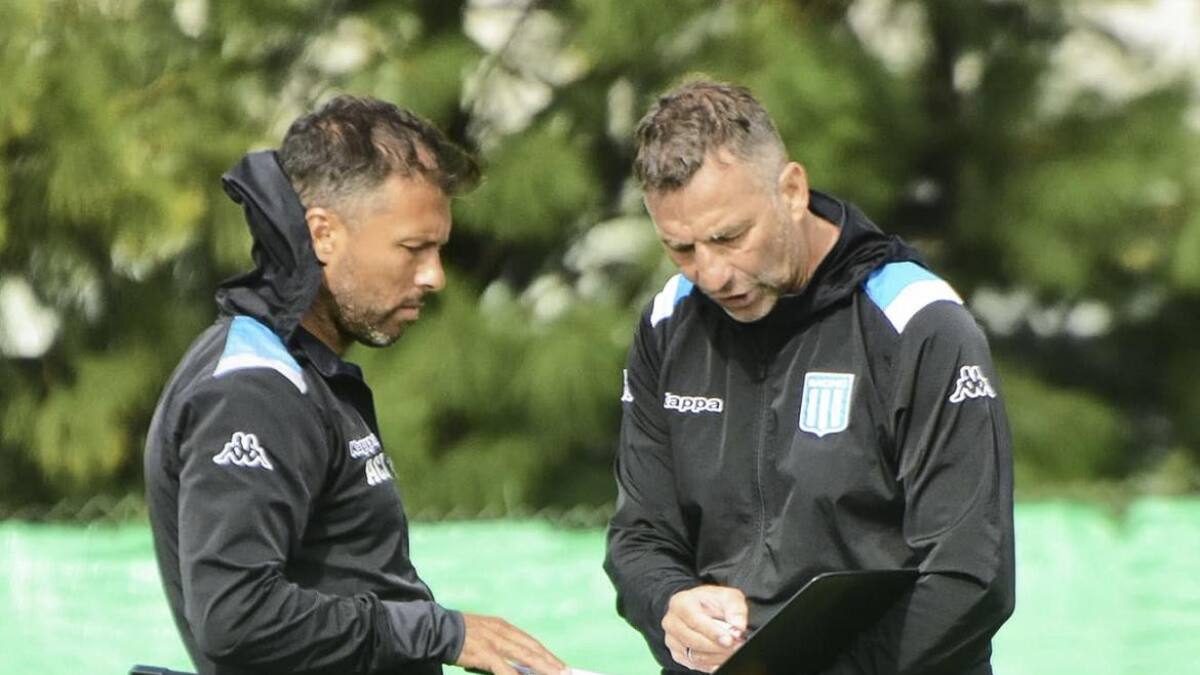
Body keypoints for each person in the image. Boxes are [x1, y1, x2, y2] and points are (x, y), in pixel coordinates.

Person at [144, 95, 567, 675]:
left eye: (439, 249)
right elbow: (236, 617)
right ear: (323, 233)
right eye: (414, 248)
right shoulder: (253, 388)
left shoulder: (306, 372)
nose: (434, 276)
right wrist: (441, 632)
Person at [604, 79, 1015, 674]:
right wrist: (671, 601)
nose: (711, 274)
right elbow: (639, 538)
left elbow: (970, 578)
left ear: (792, 190)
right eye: (681, 248)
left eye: (729, 237)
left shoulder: (918, 323)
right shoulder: (668, 323)